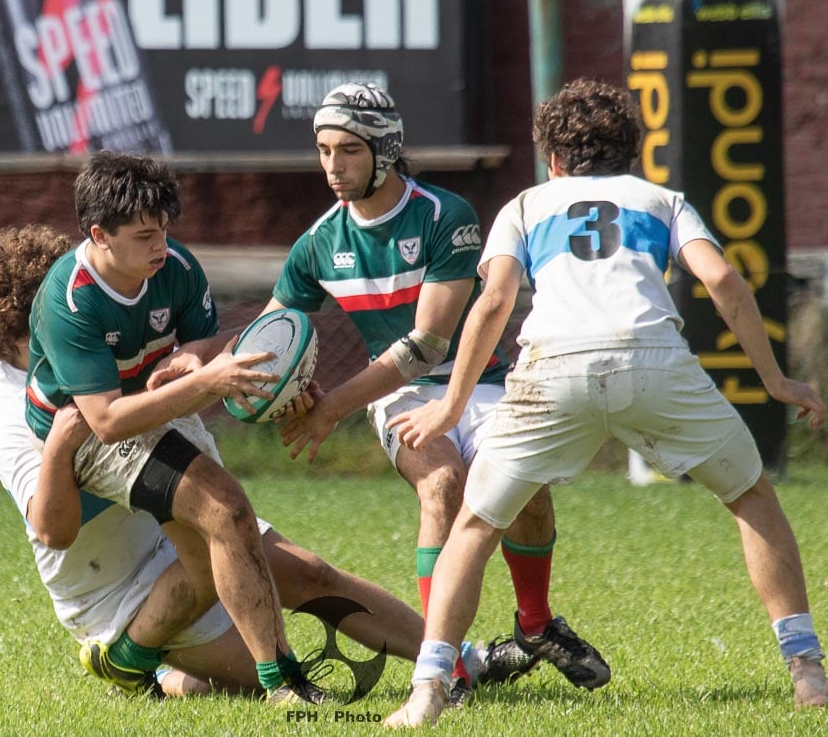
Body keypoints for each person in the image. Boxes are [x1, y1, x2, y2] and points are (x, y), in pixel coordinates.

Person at [382, 78, 828, 727]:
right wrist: (776, 380)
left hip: (553, 367)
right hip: (653, 362)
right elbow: (720, 279)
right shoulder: (661, 200)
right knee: (751, 497)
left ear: (551, 158)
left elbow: (492, 302)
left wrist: (449, 404)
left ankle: (430, 688)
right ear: (633, 154)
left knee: (474, 526)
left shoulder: (525, 205)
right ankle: (807, 675)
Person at [0, 223, 427, 699]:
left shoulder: (107, 335)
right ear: (16, 336)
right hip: (116, 588)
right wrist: (61, 449)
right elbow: (53, 532)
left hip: (180, 527)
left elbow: (185, 382)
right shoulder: (8, 418)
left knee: (311, 574)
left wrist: (278, 383)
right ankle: (133, 655)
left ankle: (447, 656)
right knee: (244, 672)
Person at [259, 82, 609, 705]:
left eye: (348, 151)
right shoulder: (318, 242)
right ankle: (443, 666)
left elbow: (429, 345)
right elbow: (268, 334)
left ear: (385, 150)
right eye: (323, 150)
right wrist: (202, 366)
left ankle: (534, 625)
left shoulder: (445, 215)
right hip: (397, 397)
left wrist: (330, 409)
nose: (333, 167)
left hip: (483, 383)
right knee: (442, 485)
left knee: (522, 489)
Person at [22, 151, 324, 702]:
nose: (160, 245)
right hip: (81, 434)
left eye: (164, 229)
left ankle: (128, 660)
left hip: (152, 406)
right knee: (227, 509)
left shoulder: (175, 267)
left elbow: (205, 341)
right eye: (143, 235)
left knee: (209, 565)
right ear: (99, 235)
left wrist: (199, 356)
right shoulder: (70, 300)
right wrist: (207, 381)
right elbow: (108, 422)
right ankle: (284, 685)